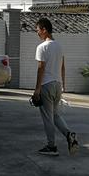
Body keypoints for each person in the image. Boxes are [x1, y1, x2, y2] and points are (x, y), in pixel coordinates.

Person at [31, 18, 79, 155]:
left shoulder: (42, 47)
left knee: (48, 117)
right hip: (57, 85)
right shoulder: (59, 46)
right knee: (55, 115)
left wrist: (37, 90)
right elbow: (62, 67)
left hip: (46, 85)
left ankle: (51, 146)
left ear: (44, 30)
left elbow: (41, 68)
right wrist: (63, 85)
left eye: (38, 30)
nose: (37, 33)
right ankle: (69, 135)